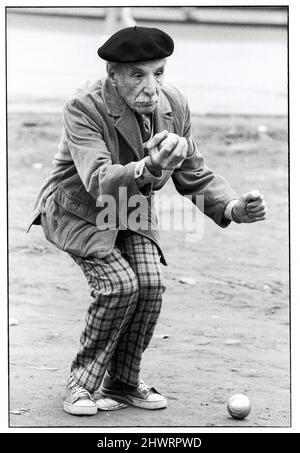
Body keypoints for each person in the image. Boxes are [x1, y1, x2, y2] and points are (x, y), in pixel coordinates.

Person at [27, 26, 267, 416]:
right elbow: (99, 180)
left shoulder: (173, 104)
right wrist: (148, 166)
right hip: (80, 210)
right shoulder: (83, 106)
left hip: (133, 210)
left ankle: (122, 382)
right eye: (138, 75)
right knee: (119, 286)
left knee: (151, 285)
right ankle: (81, 384)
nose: (151, 87)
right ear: (114, 75)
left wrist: (233, 207)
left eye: (158, 72)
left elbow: (194, 173)